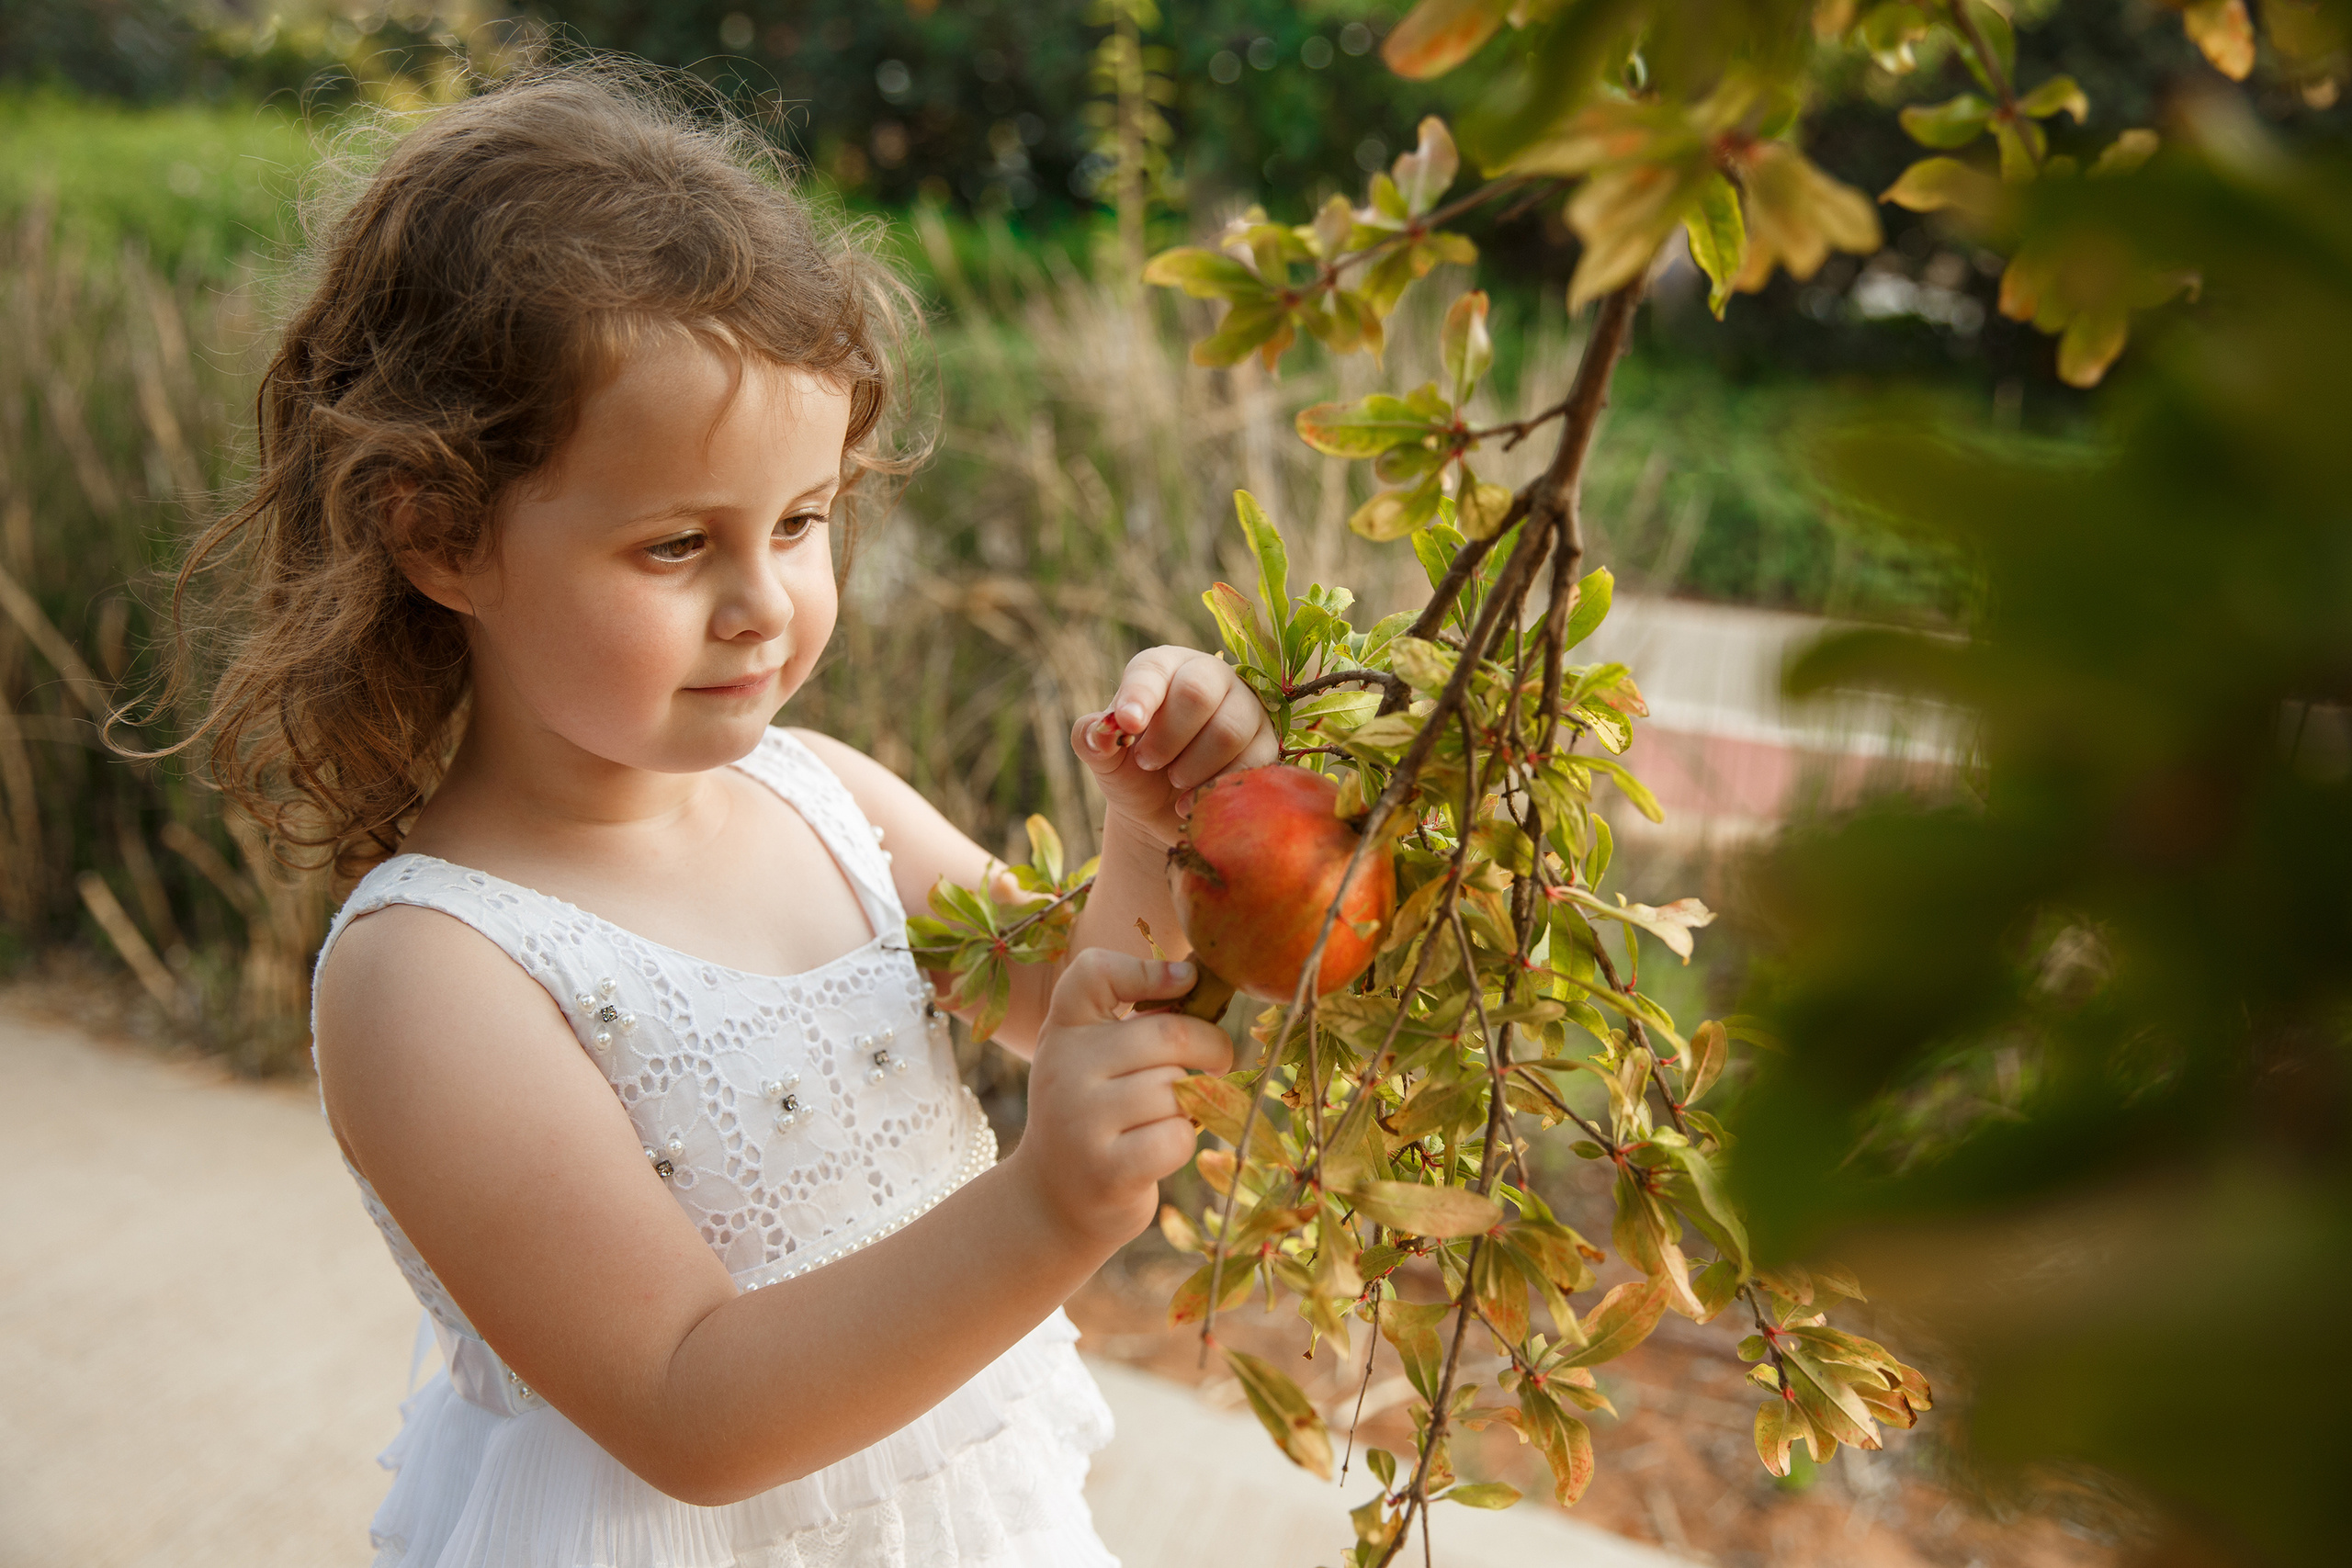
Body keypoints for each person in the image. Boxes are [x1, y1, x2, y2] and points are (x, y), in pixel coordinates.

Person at [156, 62, 1274, 1567]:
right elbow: (692, 1411)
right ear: (438, 537)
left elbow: (1088, 1008)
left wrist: (1156, 827)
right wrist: (1047, 1216)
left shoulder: (835, 804)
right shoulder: (432, 976)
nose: (767, 606)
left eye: (803, 521)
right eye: (680, 544)